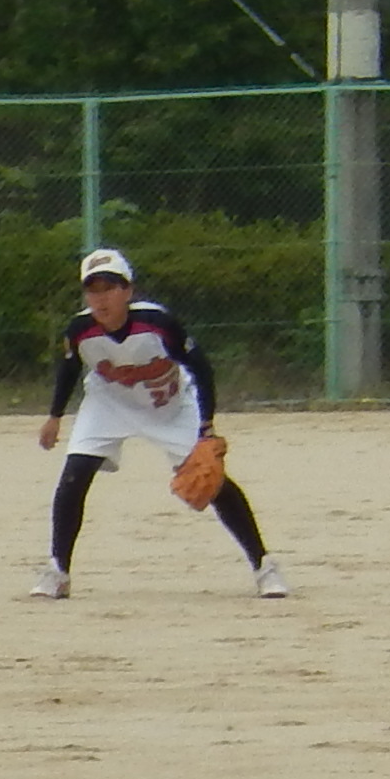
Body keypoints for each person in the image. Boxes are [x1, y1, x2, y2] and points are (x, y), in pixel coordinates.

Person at [35, 246, 280, 602]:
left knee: (213, 483)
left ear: (128, 291)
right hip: (109, 404)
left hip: (170, 408)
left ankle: (264, 566)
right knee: (74, 476)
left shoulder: (158, 323)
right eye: (92, 289)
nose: (100, 298)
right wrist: (55, 416)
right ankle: (58, 571)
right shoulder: (79, 329)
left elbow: (201, 367)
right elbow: (70, 368)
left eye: (109, 287)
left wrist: (206, 424)